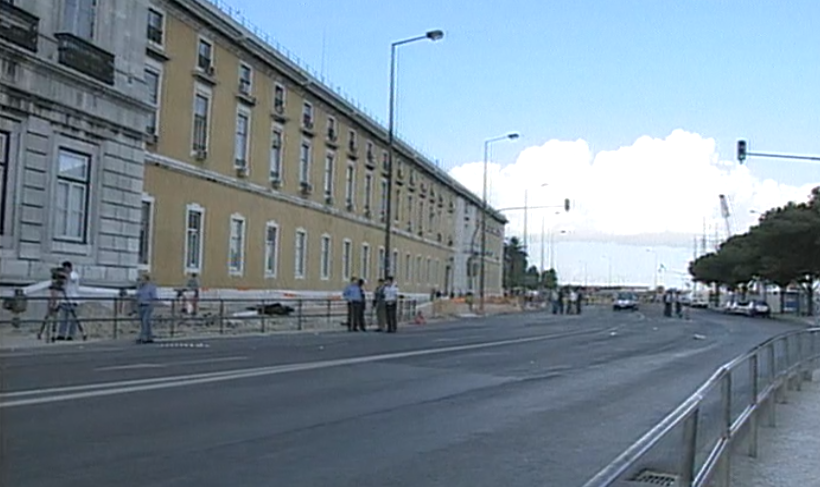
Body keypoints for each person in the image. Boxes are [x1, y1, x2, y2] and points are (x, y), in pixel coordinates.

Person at [56, 261, 81, 341]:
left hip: (73, 300)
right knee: (63, 319)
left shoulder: (74, 275)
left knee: (72, 319)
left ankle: (71, 335)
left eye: (66, 268)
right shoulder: (63, 278)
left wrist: (63, 274)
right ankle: (61, 334)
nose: (65, 270)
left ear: (69, 268)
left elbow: (71, 278)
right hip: (64, 300)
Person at [136, 273, 158, 344]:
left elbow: (154, 297)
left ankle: (144, 337)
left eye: (142, 279)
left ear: (146, 280)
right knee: (144, 322)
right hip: (141, 305)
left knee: (145, 320)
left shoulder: (151, 287)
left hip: (148, 305)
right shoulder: (140, 287)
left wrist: (152, 304)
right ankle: (149, 337)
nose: (141, 281)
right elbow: (137, 295)